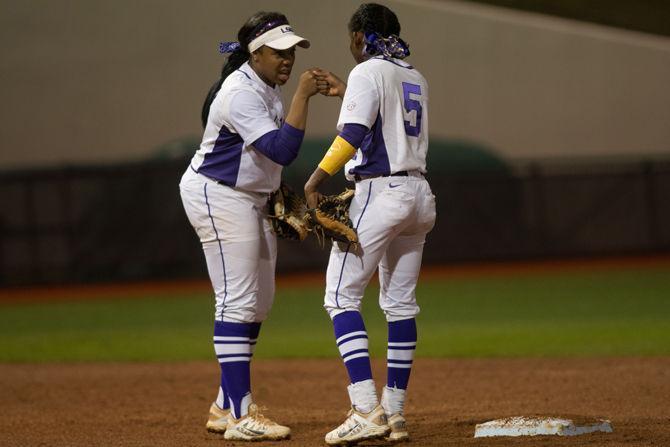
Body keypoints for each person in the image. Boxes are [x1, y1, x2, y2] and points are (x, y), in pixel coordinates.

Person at [179, 11, 326, 442]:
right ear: (254, 54)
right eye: (278, 51)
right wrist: (303, 96)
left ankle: (225, 405)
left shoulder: (266, 88)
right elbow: (281, 150)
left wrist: (276, 192)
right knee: (236, 302)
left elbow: (267, 162)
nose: (287, 59)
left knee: (259, 302)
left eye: (291, 51)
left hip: (250, 199)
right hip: (218, 195)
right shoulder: (241, 92)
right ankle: (242, 417)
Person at [304, 3, 436, 445]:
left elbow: (354, 134)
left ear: (361, 37)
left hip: (380, 195)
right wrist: (348, 90)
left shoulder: (367, 71)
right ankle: (395, 413)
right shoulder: (413, 73)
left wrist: (315, 178)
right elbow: (388, 120)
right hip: (419, 196)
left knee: (340, 296)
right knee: (400, 305)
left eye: (351, 38)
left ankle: (365, 408)